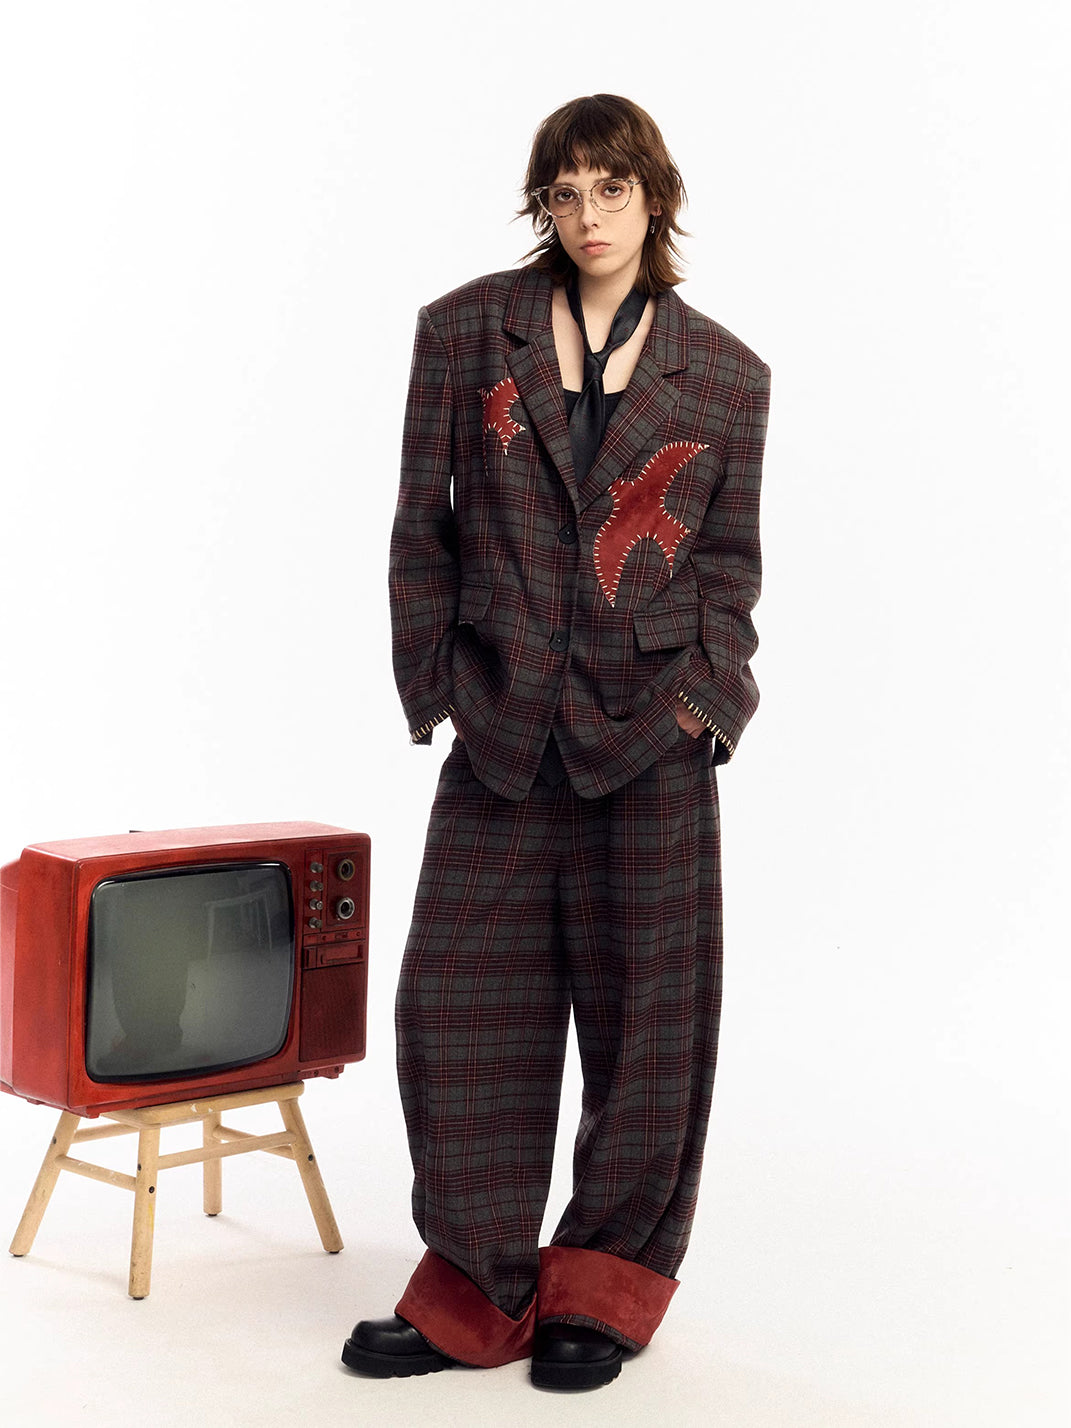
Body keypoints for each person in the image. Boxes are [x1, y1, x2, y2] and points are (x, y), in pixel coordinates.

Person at [342, 93, 771, 1392]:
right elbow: (420, 524)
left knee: (651, 1026)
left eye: (611, 190)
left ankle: (606, 1287)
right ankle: (476, 1289)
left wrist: (704, 704)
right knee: (455, 1003)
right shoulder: (467, 333)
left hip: (652, 741)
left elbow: (729, 571)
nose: (588, 217)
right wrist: (438, 683)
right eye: (565, 193)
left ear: (656, 196)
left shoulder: (727, 376)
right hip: (502, 726)